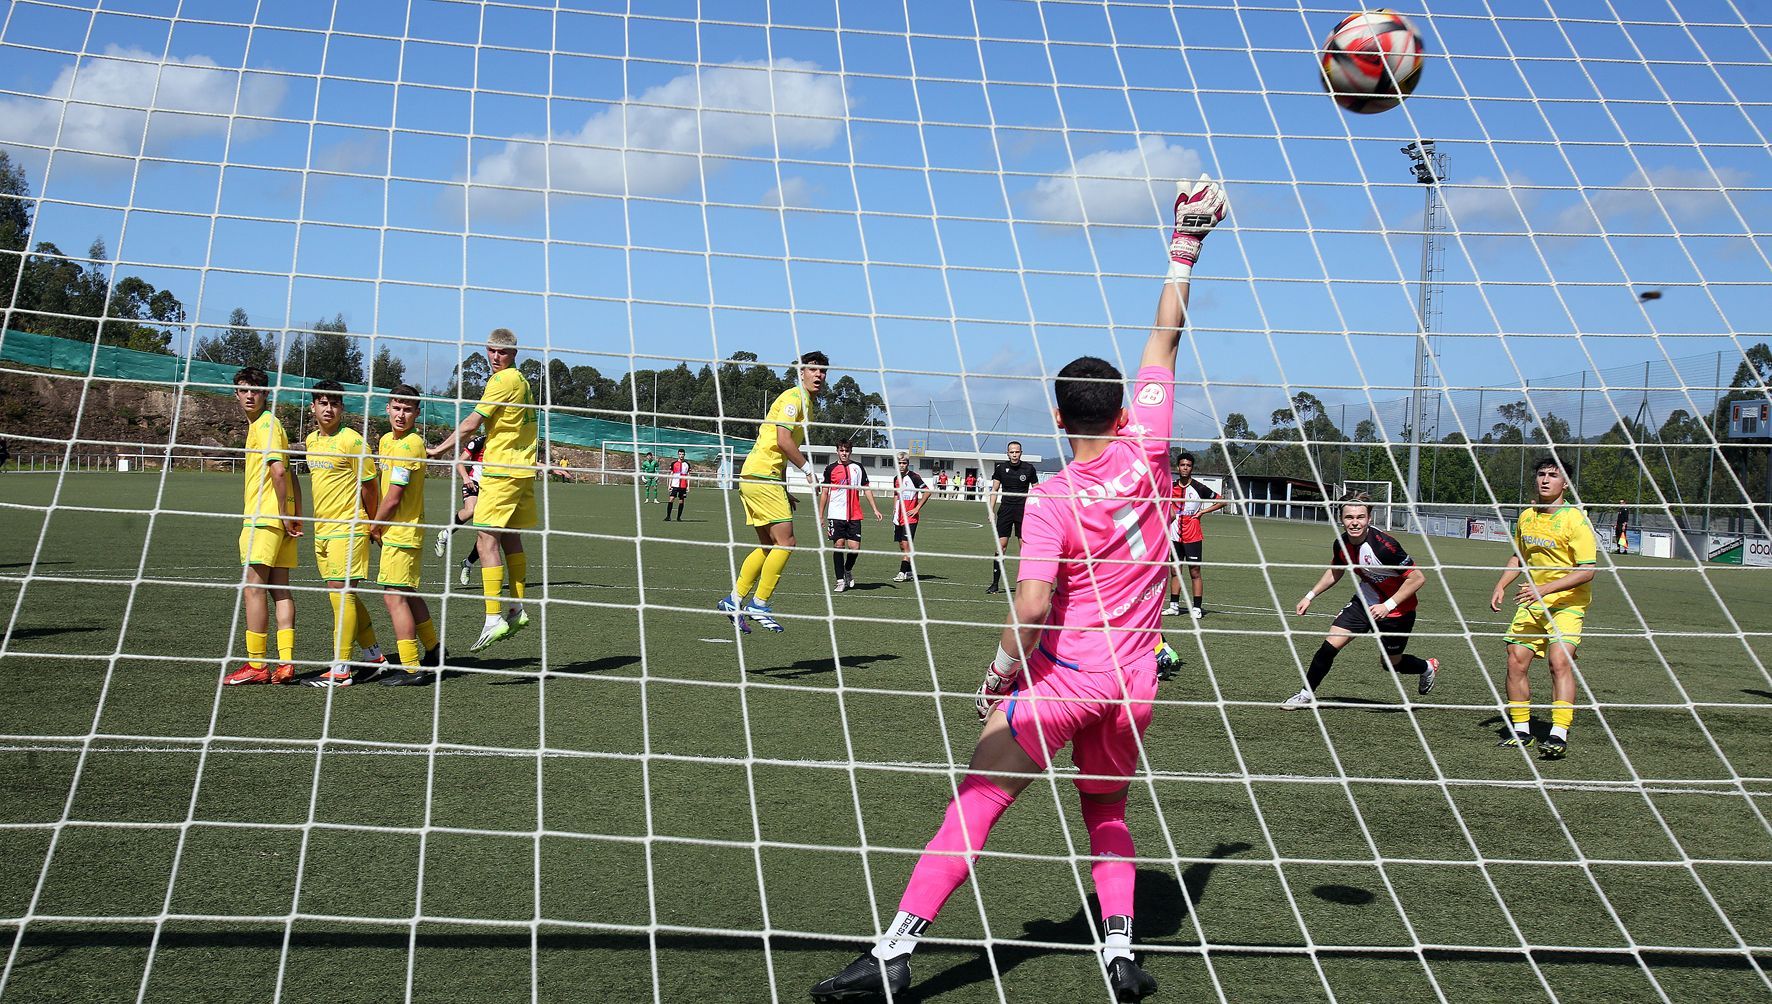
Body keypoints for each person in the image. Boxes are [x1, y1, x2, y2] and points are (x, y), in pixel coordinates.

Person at [810, 173, 1227, 1004]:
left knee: (979, 798)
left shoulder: (1052, 497)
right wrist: (1189, 242)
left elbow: (1031, 608)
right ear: (1124, 409)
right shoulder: (1149, 448)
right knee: (1105, 812)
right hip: (1136, 685)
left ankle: (893, 955)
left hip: (1067, 681)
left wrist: (999, 677)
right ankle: (1119, 954)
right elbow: (1165, 338)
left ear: (1059, 414)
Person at [429, 328, 538, 653]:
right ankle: (517, 609)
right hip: (523, 471)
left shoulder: (502, 381)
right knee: (511, 538)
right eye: (491, 351)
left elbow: (471, 423)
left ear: (514, 354)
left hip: (502, 471)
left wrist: (439, 450)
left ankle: (493, 619)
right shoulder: (524, 382)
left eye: (501, 352)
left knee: (485, 540)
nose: (494, 357)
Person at [1283, 494, 1438, 710]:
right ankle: (1304, 695)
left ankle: (1426, 667)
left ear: (1369, 518)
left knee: (1390, 664)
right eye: (1349, 517)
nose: (1354, 522)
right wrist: (1310, 596)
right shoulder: (1341, 544)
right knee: (1328, 647)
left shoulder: (1385, 547)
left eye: (1360, 517)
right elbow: (1335, 570)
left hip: (1397, 611)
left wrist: (1388, 606)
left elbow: (1417, 578)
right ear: (1341, 519)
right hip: (1365, 602)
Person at [1490, 457, 1596, 760]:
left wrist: (1544, 589)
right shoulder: (1527, 517)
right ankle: (1522, 730)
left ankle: (1558, 734)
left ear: (1566, 484)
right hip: (1532, 600)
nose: (1545, 480)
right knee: (1515, 660)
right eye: (1541, 474)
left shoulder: (1575, 520)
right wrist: (1502, 584)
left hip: (1567, 603)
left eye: (1553, 475)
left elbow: (1587, 570)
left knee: (1559, 661)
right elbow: (1518, 556)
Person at [717, 351, 828, 633]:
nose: (818, 375)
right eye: (812, 370)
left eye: (823, 371)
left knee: (769, 546)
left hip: (756, 476)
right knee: (787, 542)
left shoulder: (808, 404)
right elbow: (782, 441)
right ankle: (760, 603)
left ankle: (734, 599)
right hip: (762, 475)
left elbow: (775, 448)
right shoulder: (794, 398)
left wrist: (785, 488)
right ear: (801, 373)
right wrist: (807, 471)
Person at [301, 381, 386, 687]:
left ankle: (341, 669)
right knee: (341, 596)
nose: (328, 408)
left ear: (342, 408)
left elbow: (370, 486)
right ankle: (375, 657)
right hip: (322, 530)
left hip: (349, 528)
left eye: (334, 403)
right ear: (313, 407)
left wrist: (373, 525)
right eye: (322, 403)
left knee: (341, 594)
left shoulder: (353, 442)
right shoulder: (311, 441)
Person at [223, 367, 303, 686]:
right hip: (280, 520)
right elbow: (293, 474)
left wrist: (283, 512)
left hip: (265, 518)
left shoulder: (266, 424)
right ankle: (286, 664)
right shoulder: (268, 424)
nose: (250, 395)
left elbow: (280, 472)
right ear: (236, 394)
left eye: (255, 389)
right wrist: (296, 513)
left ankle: (257, 665)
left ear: (266, 393)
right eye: (244, 390)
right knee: (280, 589)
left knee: (254, 588)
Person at [372, 385, 440, 684]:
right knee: (408, 593)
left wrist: (375, 525)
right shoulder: (387, 440)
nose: (401, 414)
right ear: (387, 408)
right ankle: (435, 650)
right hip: (396, 530)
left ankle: (412, 668)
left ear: (417, 413)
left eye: (408, 409)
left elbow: (395, 496)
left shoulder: (411, 444)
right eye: (397, 408)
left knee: (393, 596)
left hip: (403, 531)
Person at [1164, 452, 1224, 618]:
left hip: (1193, 535)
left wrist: (1203, 511)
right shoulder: (1171, 486)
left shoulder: (1198, 487)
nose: (1185, 468)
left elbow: (1223, 501)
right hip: (1175, 534)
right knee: (1175, 570)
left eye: (1188, 465)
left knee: (1195, 572)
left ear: (1192, 468)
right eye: (1182, 465)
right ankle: (1174, 606)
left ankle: (1197, 607)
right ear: (1178, 467)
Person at [820, 439, 883, 593]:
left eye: (847, 451)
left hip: (854, 514)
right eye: (841, 450)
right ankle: (840, 580)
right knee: (838, 546)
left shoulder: (858, 468)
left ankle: (847, 570)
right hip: (836, 514)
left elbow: (866, 489)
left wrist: (875, 509)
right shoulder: (830, 469)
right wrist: (820, 514)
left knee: (855, 548)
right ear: (837, 451)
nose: (844, 453)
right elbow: (825, 492)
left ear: (850, 452)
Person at [985, 440, 1040, 594]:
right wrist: (991, 510)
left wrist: (1037, 510)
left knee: (1025, 549)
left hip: (1024, 511)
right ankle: (995, 584)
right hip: (1006, 510)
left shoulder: (1029, 468)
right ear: (1007, 453)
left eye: (1017, 452)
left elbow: (1037, 491)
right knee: (1000, 547)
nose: (1014, 454)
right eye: (1012, 452)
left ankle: (1026, 585)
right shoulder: (1001, 468)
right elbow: (994, 490)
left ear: (1021, 453)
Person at [432, 433, 487, 587]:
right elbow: (459, 462)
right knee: (470, 510)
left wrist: (549, 469)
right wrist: (466, 478)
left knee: (487, 533)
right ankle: (445, 534)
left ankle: (468, 564)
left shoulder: (506, 443)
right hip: (473, 482)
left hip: (492, 490)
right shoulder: (480, 441)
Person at [889, 453, 930, 582]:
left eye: (904, 463)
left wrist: (916, 508)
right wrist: (895, 509)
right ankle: (910, 571)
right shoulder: (896, 478)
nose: (902, 465)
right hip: (898, 517)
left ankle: (902, 572)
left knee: (906, 545)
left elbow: (928, 492)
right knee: (902, 545)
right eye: (899, 463)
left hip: (910, 518)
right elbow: (896, 494)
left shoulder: (914, 477)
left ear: (907, 463)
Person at [664, 448, 691, 522]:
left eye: (682, 454)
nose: (681, 455)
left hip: (683, 485)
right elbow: (671, 474)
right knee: (671, 499)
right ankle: (668, 516)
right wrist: (669, 485)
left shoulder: (687, 464)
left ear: (684, 455)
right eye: (680, 454)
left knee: (681, 501)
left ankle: (678, 517)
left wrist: (688, 486)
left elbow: (688, 475)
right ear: (678, 454)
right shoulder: (674, 464)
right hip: (675, 485)